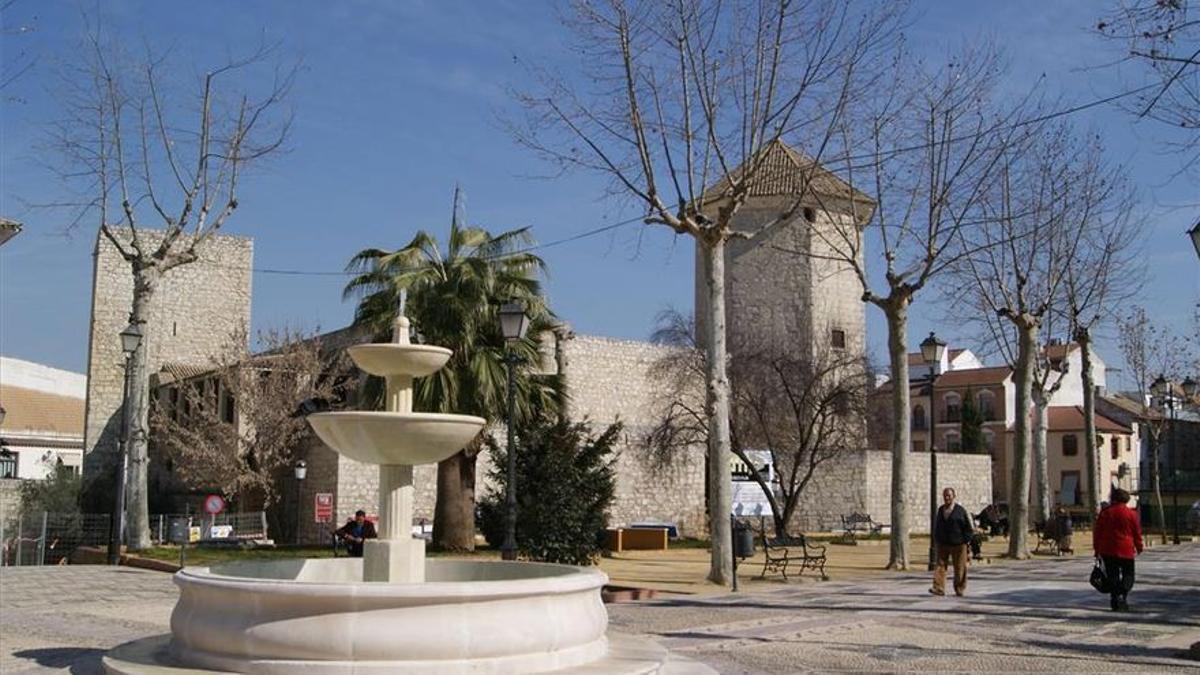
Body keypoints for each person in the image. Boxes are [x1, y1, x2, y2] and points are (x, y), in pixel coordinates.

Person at [1093, 488, 1143, 611]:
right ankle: (1122, 595)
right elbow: (1136, 532)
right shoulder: (1131, 514)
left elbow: (1097, 533)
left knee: (1113, 576)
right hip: (1126, 549)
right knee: (1128, 576)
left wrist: (1097, 549)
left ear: (1113, 498)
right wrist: (1139, 546)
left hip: (1108, 550)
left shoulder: (1105, 513)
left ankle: (1115, 601)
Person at [930, 487, 974, 597]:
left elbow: (968, 528)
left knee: (959, 567)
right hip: (943, 543)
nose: (947, 498)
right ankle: (938, 588)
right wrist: (937, 538)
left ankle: (959, 588)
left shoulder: (960, 511)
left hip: (959, 544)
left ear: (954, 496)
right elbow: (938, 526)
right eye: (945, 495)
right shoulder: (941, 510)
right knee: (940, 566)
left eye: (949, 495)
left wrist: (966, 541)